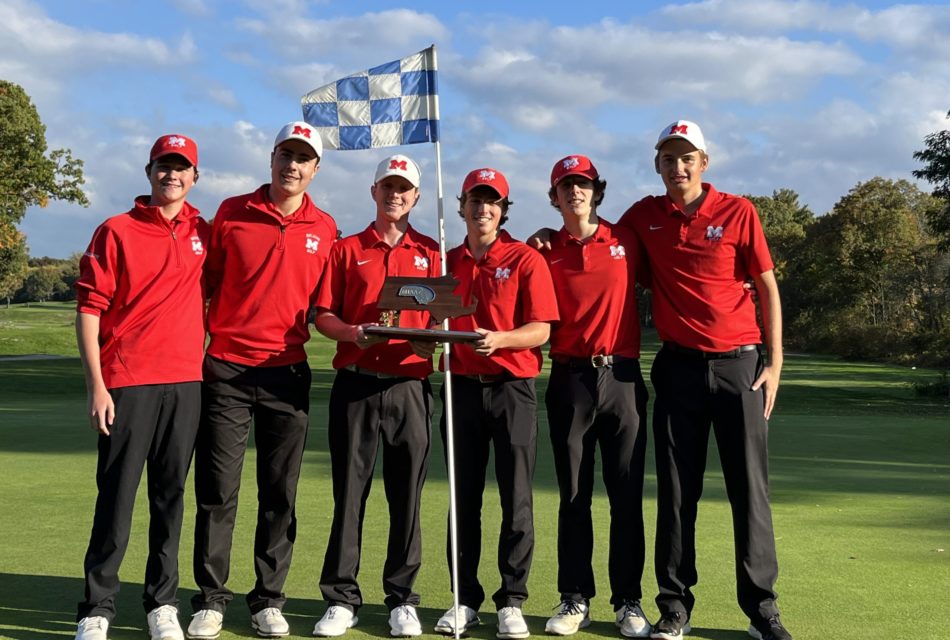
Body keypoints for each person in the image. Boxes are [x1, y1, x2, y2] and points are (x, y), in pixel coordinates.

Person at [617, 121, 791, 640]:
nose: (678, 166)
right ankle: (674, 605)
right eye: (669, 159)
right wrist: (543, 237)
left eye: (687, 157)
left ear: (704, 163)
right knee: (676, 493)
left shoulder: (739, 211)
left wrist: (776, 363)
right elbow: (597, 242)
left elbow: (766, 286)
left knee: (749, 491)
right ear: (657, 165)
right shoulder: (644, 216)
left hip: (741, 367)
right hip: (678, 368)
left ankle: (761, 609)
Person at [187, 121, 337, 640]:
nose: (291, 165)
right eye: (285, 154)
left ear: (316, 169)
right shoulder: (232, 212)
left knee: (279, 492)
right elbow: (203, 285)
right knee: (217, 490)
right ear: (271, 158)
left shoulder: (328, 227)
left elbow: (327, 306)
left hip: (287, 373)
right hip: (225, 368)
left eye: (303, 158)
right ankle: (210, 598)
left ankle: (268, 599)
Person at [73, 134, 207, 640]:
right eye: (163, 166)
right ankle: (98, 607)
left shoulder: (204, 231)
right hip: (128, 383)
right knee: (117, 498)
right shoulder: (116, 230)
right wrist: (97, 387)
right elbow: (89, 310)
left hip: (187, 383)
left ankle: (162, 604)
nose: (171, 175)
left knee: (170, 497)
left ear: (195, 177)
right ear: (149, 171)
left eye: (181, 168)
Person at [310, 154, 441, 638]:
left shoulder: (432, 251)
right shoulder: (347, 249)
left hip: (410, 385)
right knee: (349, 493)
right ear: (374, 191)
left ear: (416, 197)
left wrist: (435, 339)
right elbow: (323, 314)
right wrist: (350, 332)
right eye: (388, 186)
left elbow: (443, 321)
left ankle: (402, 598)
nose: (395, 194)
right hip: (358, 382)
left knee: (406, 497)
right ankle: (341, 597)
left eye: (404, 188)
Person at [433, 168, 558, 640]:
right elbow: (432, 322)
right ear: (462, 205)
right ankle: (464, 599)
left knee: (516, 497)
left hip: (512, 389)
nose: (483, 209)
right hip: (461, 388)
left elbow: (541, 329)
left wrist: (502, 339)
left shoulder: (526, 259)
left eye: (493, 202)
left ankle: (511, 600)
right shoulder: (447, 263)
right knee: (462, 498)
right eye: (475, 200)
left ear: (503, 210)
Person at [539, 155, 652, 638]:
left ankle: (628, 600)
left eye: (582, 185)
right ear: (554, 197)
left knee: (626, 496)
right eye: (566, 186)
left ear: (596, 191)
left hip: (623, 378)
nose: (575, 193)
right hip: (570, 379)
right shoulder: (542, 250)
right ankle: (574, 597)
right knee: (573, 495)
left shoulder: (626, 239)